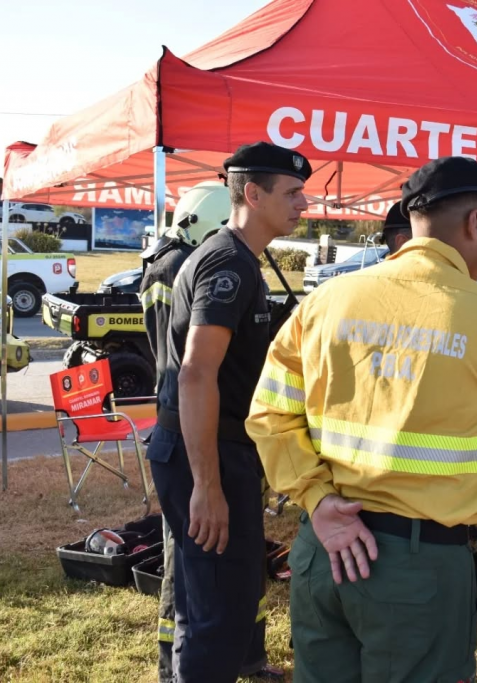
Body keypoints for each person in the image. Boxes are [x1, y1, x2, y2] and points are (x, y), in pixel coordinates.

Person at [246, 156, 477, 683]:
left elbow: (270, 413)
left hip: (323, 548)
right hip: (417, 569)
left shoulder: (326, 301)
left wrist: (318, 501)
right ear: (475, 222)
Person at [144, 141, 311, 683]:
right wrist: (207, 485)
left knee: (216, 602)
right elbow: (196, 373)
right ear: (253, 194)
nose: (303, 204)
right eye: (292, 193)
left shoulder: (240, 259)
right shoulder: (228, 263)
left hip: (219, 447)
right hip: (210, 450)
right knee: (220, 612)